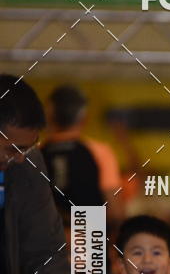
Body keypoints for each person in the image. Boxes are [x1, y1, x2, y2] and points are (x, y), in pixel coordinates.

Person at [0, 74, 70, 274]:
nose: (19, 158)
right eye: (11, 149)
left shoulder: (25, 163)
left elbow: (45, 246)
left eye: (28, 148)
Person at [42, 84, 122, 220]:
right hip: (90, 231)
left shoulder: (34, 154)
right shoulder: (100, 152)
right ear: (84, 119)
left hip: (46, 231)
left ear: (49, 117)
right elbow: (116, 212)